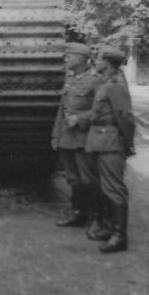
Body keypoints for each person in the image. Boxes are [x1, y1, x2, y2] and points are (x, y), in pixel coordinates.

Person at [85, 47, 135, 253]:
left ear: (106, 62)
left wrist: (126, 144)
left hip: (110, 142)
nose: (96, 61)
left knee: (114, 190)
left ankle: (119, 236)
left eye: (98, 59)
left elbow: (125, 118)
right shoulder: (106, 82)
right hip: (99, 140)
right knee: (103, 188)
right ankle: (108, 228)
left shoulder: (115, 85)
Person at [51, 42, 101, 229]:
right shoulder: (70, 79)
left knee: (89, 180)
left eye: (69, 56)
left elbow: (101, 110)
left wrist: (80, 118)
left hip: (84, 138)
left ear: (80, 59)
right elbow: (61, 110)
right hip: (67, 138)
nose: (66, 59)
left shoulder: (95, 81)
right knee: (73, 179)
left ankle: (96, 218)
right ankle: (78, 214)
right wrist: (56, 135)